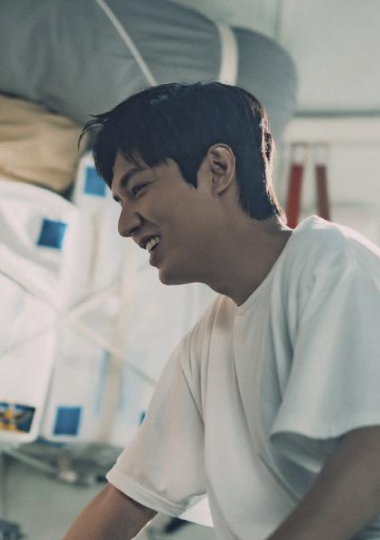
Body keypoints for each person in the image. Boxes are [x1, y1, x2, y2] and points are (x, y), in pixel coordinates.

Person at [64, 82, 380, 540]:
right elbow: (128, 499)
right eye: (119, 201)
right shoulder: (207, 341)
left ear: (218, 168)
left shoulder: (331, 262)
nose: (125, 223)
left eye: (138, 189)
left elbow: (372, 451)